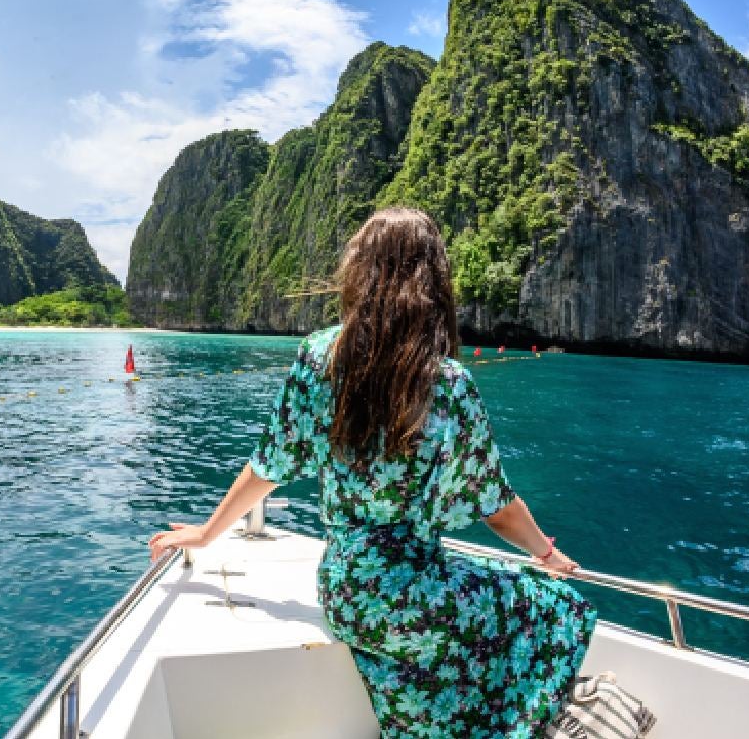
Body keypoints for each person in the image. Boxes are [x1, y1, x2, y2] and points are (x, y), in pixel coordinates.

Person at [149, 206, 596, 737]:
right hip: (417, 591)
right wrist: (546, 554)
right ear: (433, 281)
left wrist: (207, 533)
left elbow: (268, 466)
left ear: (361, 270)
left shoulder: (319, 357)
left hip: (346, 594)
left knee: (457, 621)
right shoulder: (449, 383)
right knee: (561, 606)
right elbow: (496, 506)